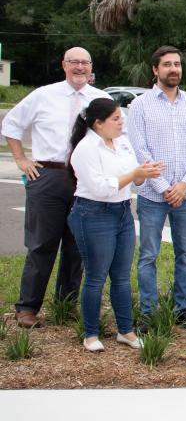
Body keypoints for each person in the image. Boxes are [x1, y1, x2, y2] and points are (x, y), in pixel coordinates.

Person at [1, 47, 110, 327]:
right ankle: (27, 308)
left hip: (84, 179)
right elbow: (11, 125)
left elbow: (117, 137)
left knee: (77, 246)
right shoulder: (43, 95)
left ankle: (66, 304)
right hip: (47, 177)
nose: (79, 67)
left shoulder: (101, 99)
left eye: (85, 62)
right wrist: (21, 158)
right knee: (41, 245)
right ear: (64, 65)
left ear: (91, 67)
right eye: (74, 62)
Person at [67, 98, 164, 351]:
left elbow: (135, 180)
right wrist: (135, 174)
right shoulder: (86, 148)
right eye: (116, 119)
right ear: (98, 124)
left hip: (121, 211)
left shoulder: (122, 143)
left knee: (121, 277)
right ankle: (90, 334)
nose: (122, 123)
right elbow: (102, 188)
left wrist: (145, 172)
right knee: (96, 277)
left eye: (122, 117)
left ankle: (126, 331)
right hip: (93, 212)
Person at [128, 46, 186, 329]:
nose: (174, 69)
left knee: (185, 253)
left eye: (177, 64)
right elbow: (140, 151)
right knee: (148, 255)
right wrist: (165, 188)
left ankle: (182, 310)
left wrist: (184, 185)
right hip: (152, 196)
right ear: (155, 69)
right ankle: (148, 313)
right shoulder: (139, 106)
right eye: (167, 65)